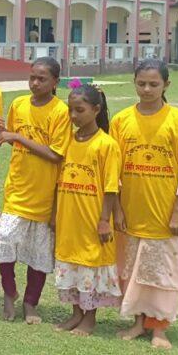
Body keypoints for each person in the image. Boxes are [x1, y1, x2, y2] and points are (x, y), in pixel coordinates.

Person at [111, 59, 178, 350]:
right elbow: (112, 172)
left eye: (154, 84)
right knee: (133, 272)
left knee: (162, 273)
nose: (147, 89)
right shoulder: (121, 120)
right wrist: (117, 209)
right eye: (141, 83)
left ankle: (159, 328)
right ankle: (138, 323)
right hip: (131, 213)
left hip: (164, 216)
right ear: (134, 83)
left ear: (166, 85)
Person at [0, 57, 71, 324]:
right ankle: (9, 292)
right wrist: (1, 129)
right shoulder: (18, 104)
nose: (35, 83)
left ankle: (30, 303)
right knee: (5, 240)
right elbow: (12, 140)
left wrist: (17, 136)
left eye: (42, 79)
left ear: (55, 82)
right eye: (32, 77)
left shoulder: (60, 112)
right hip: (17, 189)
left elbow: (55, 154)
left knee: (39, 255)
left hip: (44, 195)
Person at [53, 83, 122, 337]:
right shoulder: (67, 141)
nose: (73, 116)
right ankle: (76, 313)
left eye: (79, 110)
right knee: (70, 264)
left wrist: (105, 220)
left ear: (96, 110)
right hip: (69, 217)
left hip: (92, 218)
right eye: (70, 110)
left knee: (90, 266)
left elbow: (111, 187)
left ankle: (90, 318)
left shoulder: (106, 145)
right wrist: (54, 214)